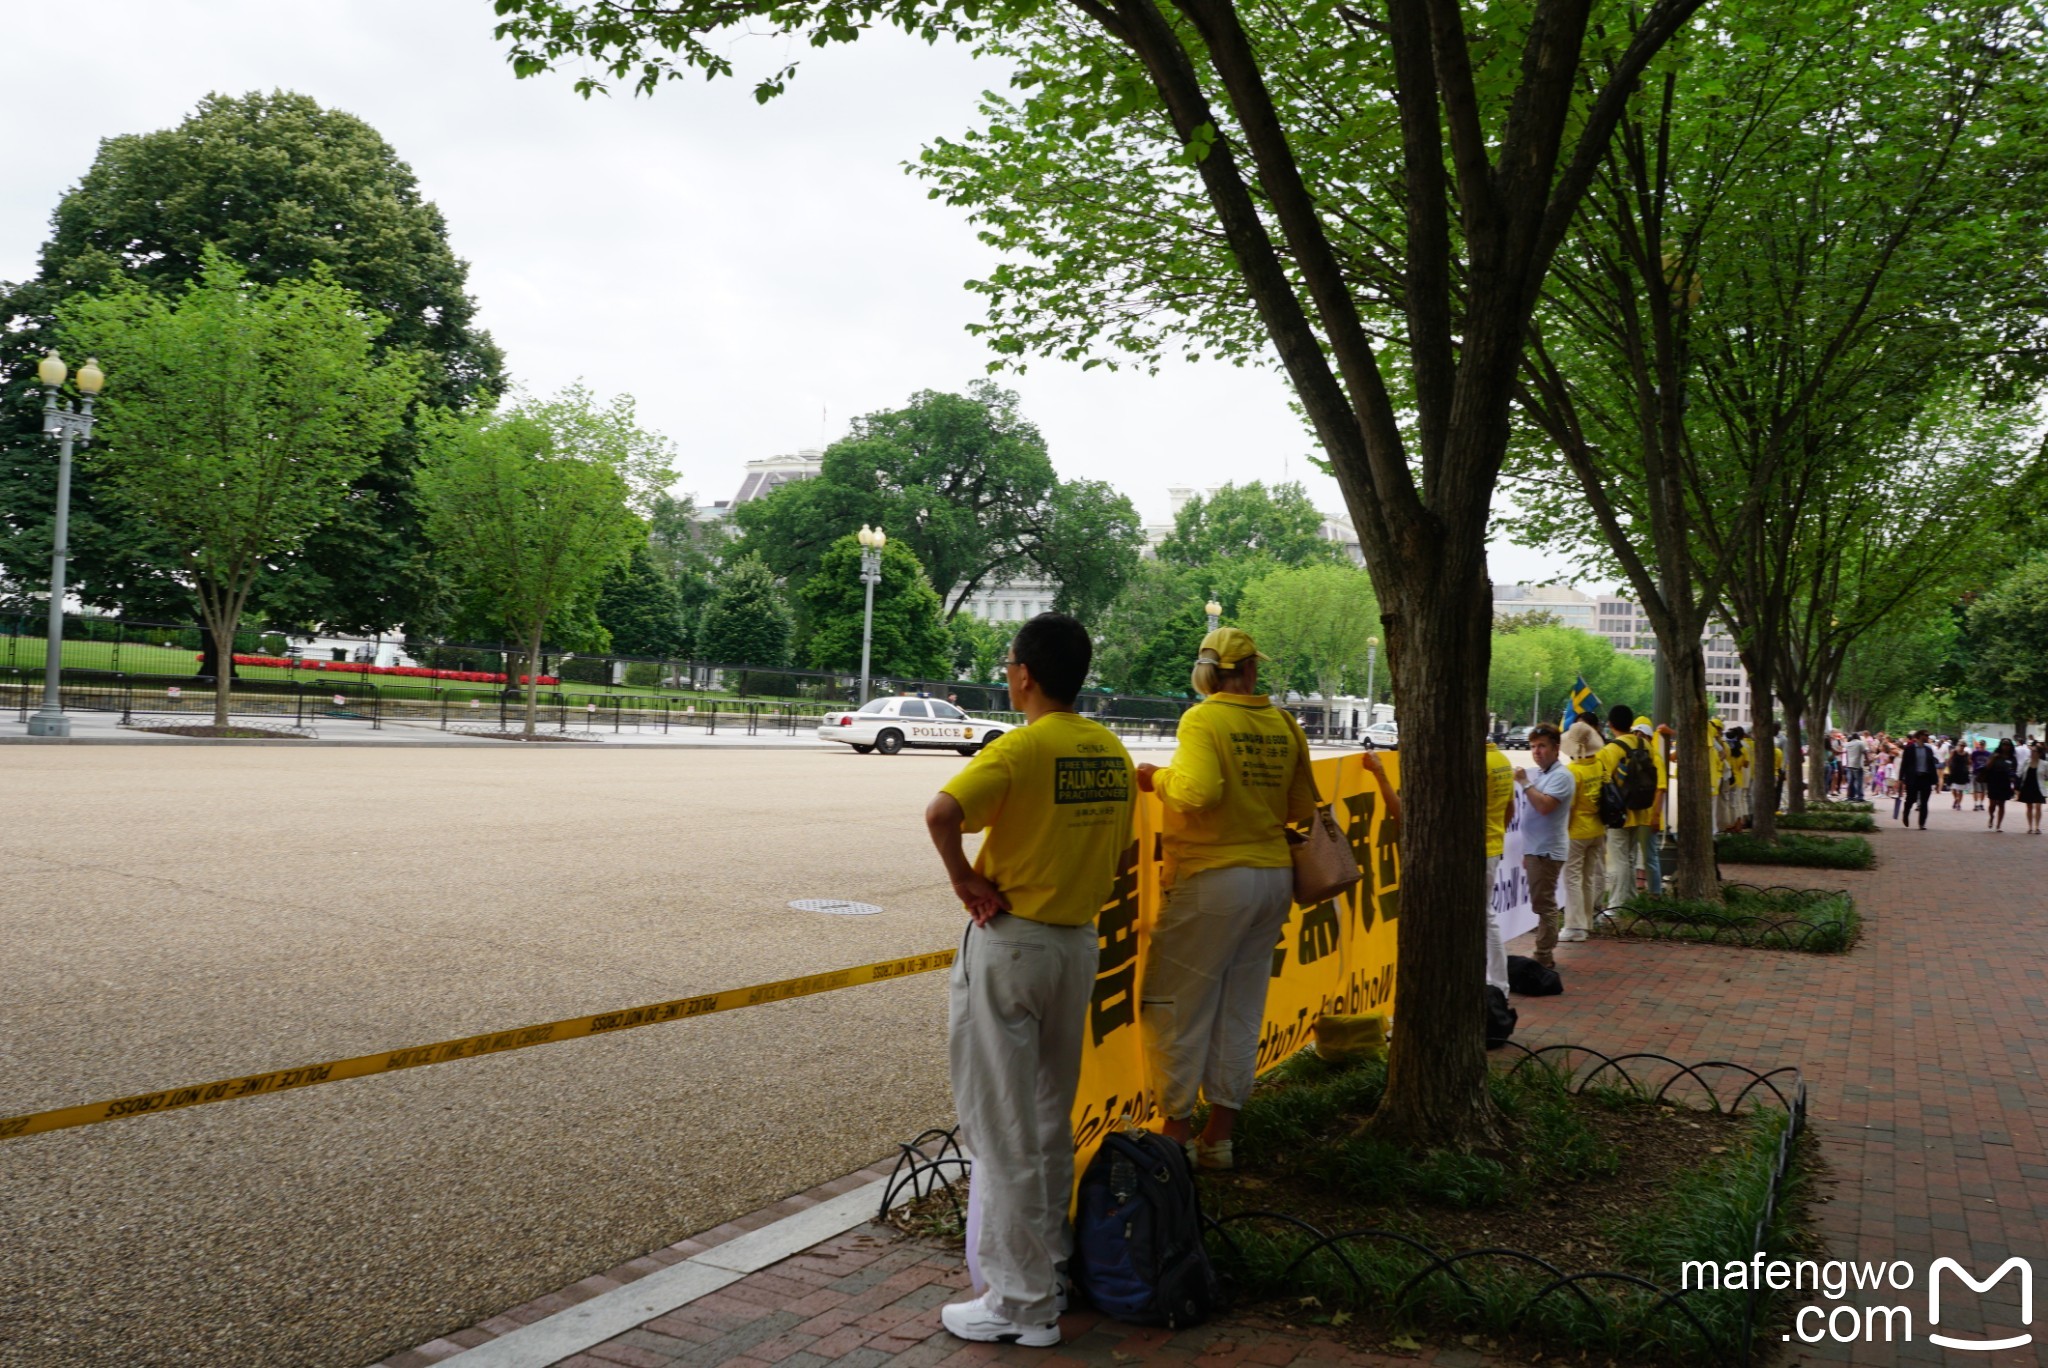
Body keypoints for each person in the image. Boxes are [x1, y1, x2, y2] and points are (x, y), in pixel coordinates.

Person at [926, 613, 1135, 1347]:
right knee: (1048, 1123)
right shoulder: (1110, 751)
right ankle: (1047, 1274)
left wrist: (965, 880)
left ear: (1026, 674)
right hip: (1077, 946)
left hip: (1012, 946)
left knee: (1004, 1128)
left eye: (1010, 662)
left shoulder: (1021, 748)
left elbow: (943, 811)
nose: (1008, 672)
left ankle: (1019, 1304)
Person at [1133, 626, 1318, 1172]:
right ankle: (1221, 1137)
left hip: (1213, 878)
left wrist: (1156, 779)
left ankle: (1175, 1134)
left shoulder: (1205, 717)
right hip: (1273, 880)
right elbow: (1302, 807)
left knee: (1175, 1005)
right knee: (1240, 1007)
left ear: (1209, 672)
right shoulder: (1284, 723)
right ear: (1251, 669)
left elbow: (1197, 791)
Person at [1516, 723, 1576, 968]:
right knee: (1542, 902)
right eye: (1533, 747)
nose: (1536, 751)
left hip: (1546, 851)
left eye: (1542, 746)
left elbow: (1544, 806)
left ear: (1556, 748)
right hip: (1537, 849)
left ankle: (1543, 956)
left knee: (1545, 905)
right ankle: (1543, 952)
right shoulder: (1543, 774)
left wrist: (1525, 783)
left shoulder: (1561, 776)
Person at [1599, 707, 1663, 896]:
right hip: (1640, 809)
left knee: (1618, 860)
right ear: (1630, 724)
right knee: (1630, 857)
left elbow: (1602, 781)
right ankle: (1631, 898)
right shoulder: (1646, 746)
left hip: (1618, 814)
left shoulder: (1611, 749)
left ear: (1610, 725)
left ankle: (1617, 904)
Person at [1560, 720, 1606, 942]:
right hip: (1597, 829)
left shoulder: (1572, 772)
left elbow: (1568, 807)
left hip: (1577, 832)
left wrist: (1562, 832)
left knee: (1572, 879)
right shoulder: (1599, 765)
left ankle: (1574, 926)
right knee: (1588, 878)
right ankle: (1587, 922)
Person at [1482, 732, 1518, 994]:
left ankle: (1498, 984)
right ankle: (1495, 982)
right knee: (1485, 917)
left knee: (1485, 917)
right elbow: (1510, 808)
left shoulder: (1478, 762)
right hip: (1492, 846)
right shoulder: (1502, 760)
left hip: (1480, 850)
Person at [1897, 730, 1939, 830]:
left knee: (1924, 802)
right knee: (1911, 799)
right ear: (1920, 736)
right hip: (1913, 778)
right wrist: (1900, 778)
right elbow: (1904, 764)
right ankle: (1905, 813)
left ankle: (1922, 823)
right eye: (1926, 735)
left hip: (1925, 778)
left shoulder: (1928, 749)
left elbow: (1932, 766)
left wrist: (1935, 780)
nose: (1927, 737)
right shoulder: (1909, 749)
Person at [1983, 739, 2018, 833]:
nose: (2005, 747)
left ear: (2010, 746)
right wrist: (1994, 758)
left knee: (2002, 804)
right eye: (2004, 745)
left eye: (2008, 745)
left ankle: (1999, 825)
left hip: (2005, 781)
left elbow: (2014, 771)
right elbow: (1987, 766)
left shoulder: (2012, 758)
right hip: (1994, 780)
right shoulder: (1995, 755)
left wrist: (2013, 781)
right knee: (1992, 804)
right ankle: (1991, 816)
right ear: (2000, 745)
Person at [2019, 741, 2046, 835]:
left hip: (2039, 787)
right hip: (2028, 786)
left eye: (2034, 751)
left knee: (2038, 807)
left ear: (2039, 753)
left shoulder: (2044, 764)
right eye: (2032, 751)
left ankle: (2037, 827)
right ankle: (2030, 827)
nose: (2032, 753)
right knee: (2029, 807)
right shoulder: (2027, 762)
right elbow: (2020, 773)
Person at [1945, 738, 1972, 809]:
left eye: (1963, 746)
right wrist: (1949, 768)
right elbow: (1948, 760)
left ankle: (1958, 804)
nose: (1962, 747)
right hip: (1954, 772)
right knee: (1953, 788)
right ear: (1958, 745)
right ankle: (1956, 799)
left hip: (1963, 773)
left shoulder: (1966, 754)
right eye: (1961, 745)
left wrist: (1968, 768)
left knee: (1961, 790)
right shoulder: (1954, 752)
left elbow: (1969, 762)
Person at [1842, 730, 1868, 803]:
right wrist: (1867, 761)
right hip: (1858, 765)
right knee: (1859, 781)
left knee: (1851, 781)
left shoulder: (1848, 744)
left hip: (1850, 765)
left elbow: (1846, 753)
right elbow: (1865, 752)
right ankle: (1860, 797)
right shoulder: (1860, 743)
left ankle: (1850, 796)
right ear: (1858, 737)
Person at [1970, 740, 1990, 810]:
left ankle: (1981, 804)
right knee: (1975, 790)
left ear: (1985, 745)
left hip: (1984, 774)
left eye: (1983, 745)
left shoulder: (1988, 754)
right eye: (1980, 745)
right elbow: (1971, 760)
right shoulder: (1975, 753)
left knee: (1983, 790)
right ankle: (1975, 804)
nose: (1981, 746)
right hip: (1976, 773)